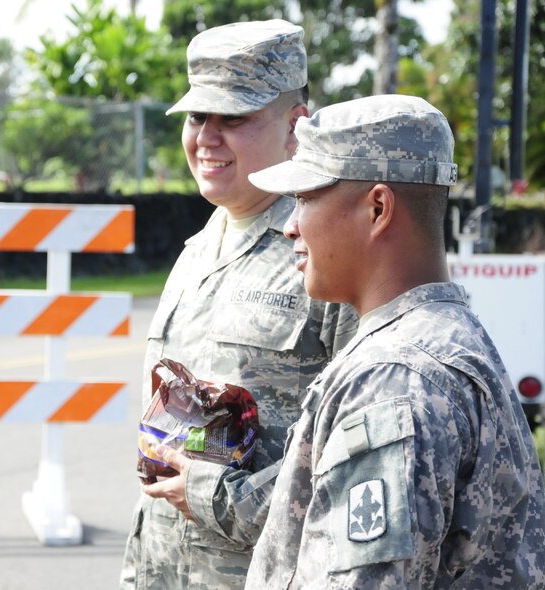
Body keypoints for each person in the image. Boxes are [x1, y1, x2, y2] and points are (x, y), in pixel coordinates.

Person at [244, 94, 545, 587]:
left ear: (378, 208)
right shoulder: (442, 337)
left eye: (304, 199)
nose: (289, 226)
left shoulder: (394, 378)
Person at [120, 20, 358, 589]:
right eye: (198, 117)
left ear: (296, 125)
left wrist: (221, 499)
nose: (206, 137)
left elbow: (354, 453)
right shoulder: (197, 250)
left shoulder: (326, 250)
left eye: (234, 118)